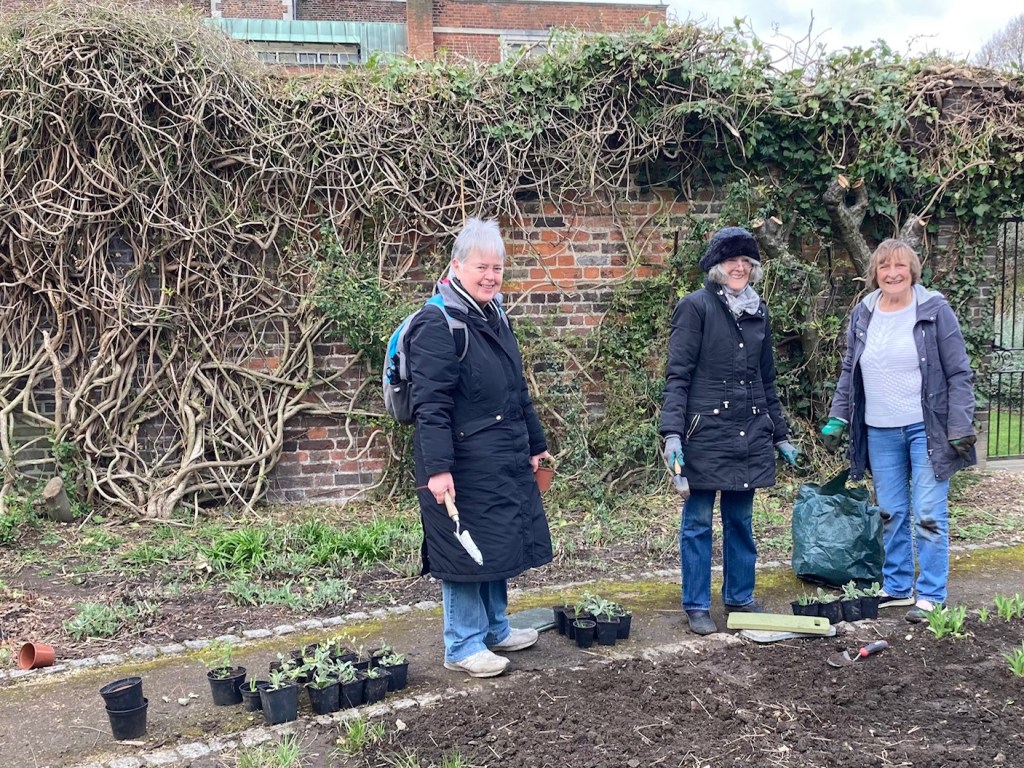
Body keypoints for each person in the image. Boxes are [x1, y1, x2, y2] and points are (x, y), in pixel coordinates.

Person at [406, 217, 553, 677]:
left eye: (497, 268)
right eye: (481, 267)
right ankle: (462, 644)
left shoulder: (494, 314)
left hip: (501, 455)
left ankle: (494, 629)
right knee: (464, 551)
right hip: (461, 462)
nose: (491, 276)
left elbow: (517, 389)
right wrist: (438, 469)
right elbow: (431, 406)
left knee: (496, 541)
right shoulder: (438, 322)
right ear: (456, 266)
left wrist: (535, 444)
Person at [822, 238, 976, 622]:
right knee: (890, 511)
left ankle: (931, 594)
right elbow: (849, 370)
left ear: (912, 271)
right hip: (880, 430)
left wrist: (959, 423)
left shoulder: (934, 309)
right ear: (875, 273)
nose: (892, 274)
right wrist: (839, 415)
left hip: (926, 428)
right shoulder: (864, 312)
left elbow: (958, 372)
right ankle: (898, 586)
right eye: (884, 267)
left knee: (927, 512)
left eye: (900, 267)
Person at [660, 226, 799, 635]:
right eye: (731, 260)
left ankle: (740, 595)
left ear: (752, 268)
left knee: (741, 520)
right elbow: (677, 376)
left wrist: (781, 434)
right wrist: (672, 435)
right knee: (698, 522)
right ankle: (697, 604)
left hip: (749, 431)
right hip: (703, 434)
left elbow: (766, 379)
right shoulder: (695, 307)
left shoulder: (759, 311)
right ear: (717, 266)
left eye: (746, 261)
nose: (739, 267)